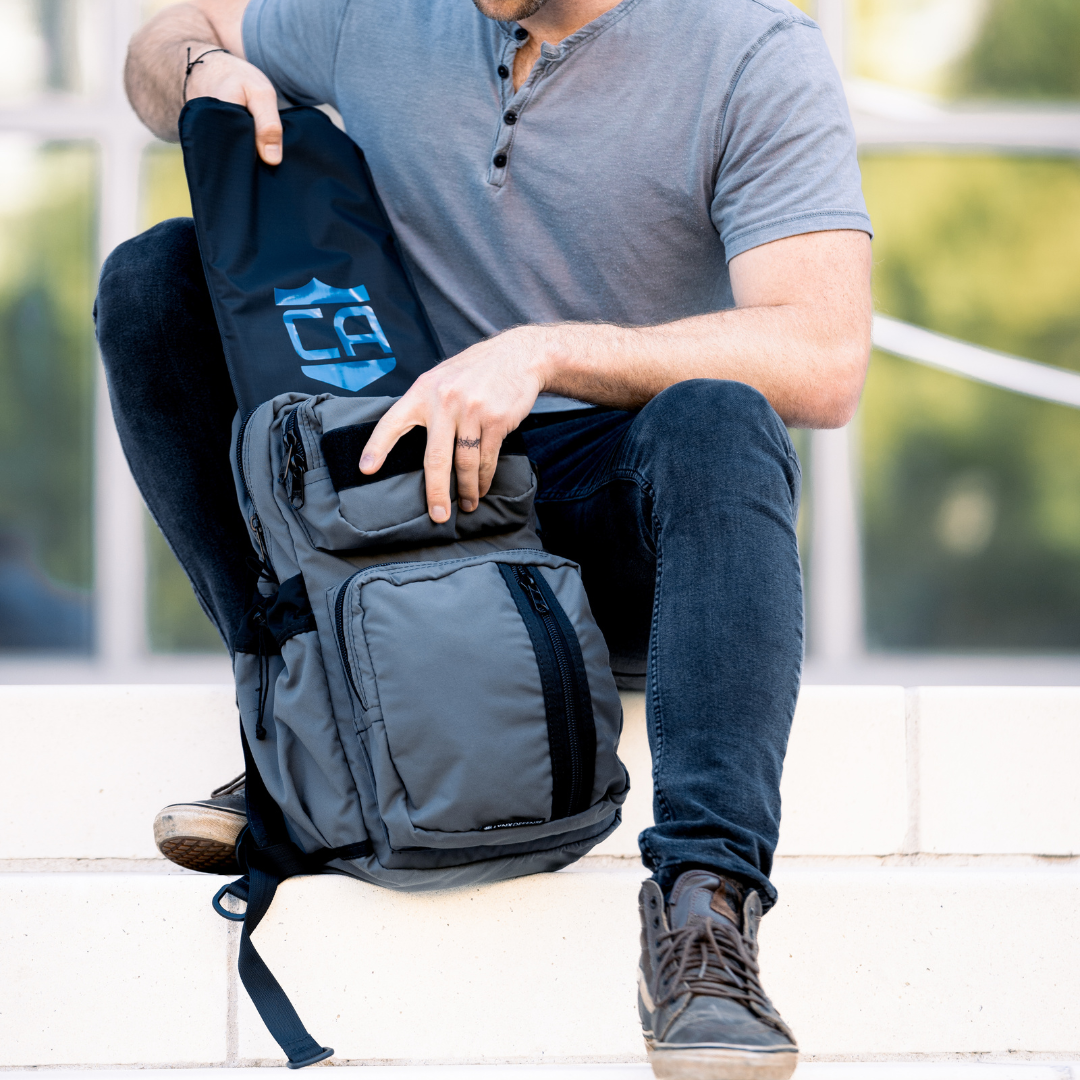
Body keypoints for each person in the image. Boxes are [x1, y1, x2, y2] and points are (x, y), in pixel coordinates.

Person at [102, 0, 872, 1076]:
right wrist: (194, 74)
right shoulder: (381, 15)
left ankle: (704, 916)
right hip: (422, 506)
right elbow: (166, 28)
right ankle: (298, 719)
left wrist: (544, 355)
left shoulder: (751, 50)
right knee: (154, 280)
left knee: (721, 415)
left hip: (618, 516)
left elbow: (824, 355)